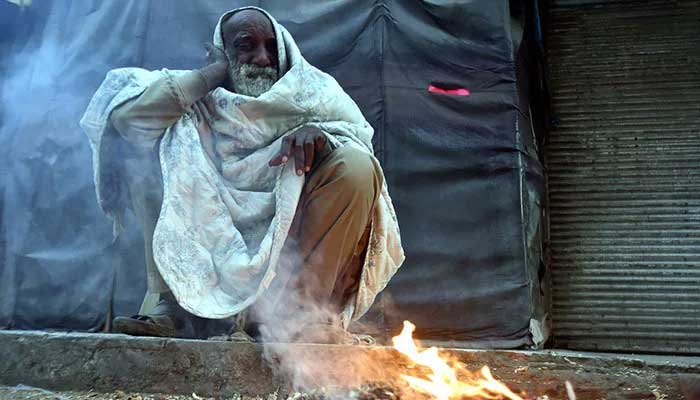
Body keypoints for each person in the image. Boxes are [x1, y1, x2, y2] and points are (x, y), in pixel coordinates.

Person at [80, 7, 404, 343]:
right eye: (246, 45)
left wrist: (323, 135)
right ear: (220, 51)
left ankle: (304, 318)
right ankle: (172, 308)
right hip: (202, 261)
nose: (262, 58)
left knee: (356, 165)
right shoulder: (195, 97)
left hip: (283, 277)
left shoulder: (313, 93)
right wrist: (210, 76)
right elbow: (129, 123)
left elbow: (358, 137)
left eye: (271, 47)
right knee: (154, 143)